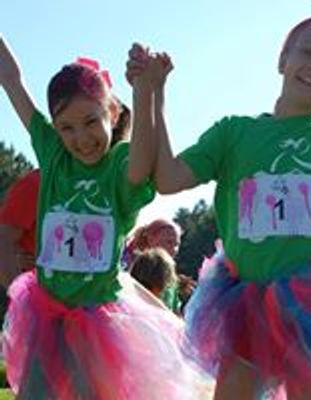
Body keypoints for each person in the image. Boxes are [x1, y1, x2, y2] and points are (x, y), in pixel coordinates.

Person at [128, 13, 311, 400]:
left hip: (310, 303)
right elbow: (168, 178)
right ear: (282, 60)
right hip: (243, 301)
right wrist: (153, 92)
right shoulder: (234, 133)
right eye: (307, 51)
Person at [0, 40, 209, 399]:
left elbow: (142, 165)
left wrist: (143, 92)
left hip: (98, 320)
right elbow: (11, 81)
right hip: (47, 313)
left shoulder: (117, 168)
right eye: (66, 127)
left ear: (111, 113)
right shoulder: (54, 159)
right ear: (54, 128)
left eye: (90, 122)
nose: (81, 138)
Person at [124, 218, 195, 314]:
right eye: (169, 242)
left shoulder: (171, 277)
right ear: (151, 239)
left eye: (177, 244)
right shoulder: (140, 268)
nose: (174, 249)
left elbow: (174, 311)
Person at [0, 169, 40, 286]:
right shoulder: (35, 183)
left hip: (87, 297)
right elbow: (3, 242)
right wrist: (21, 299)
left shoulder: (93, 187)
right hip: (40, 295)